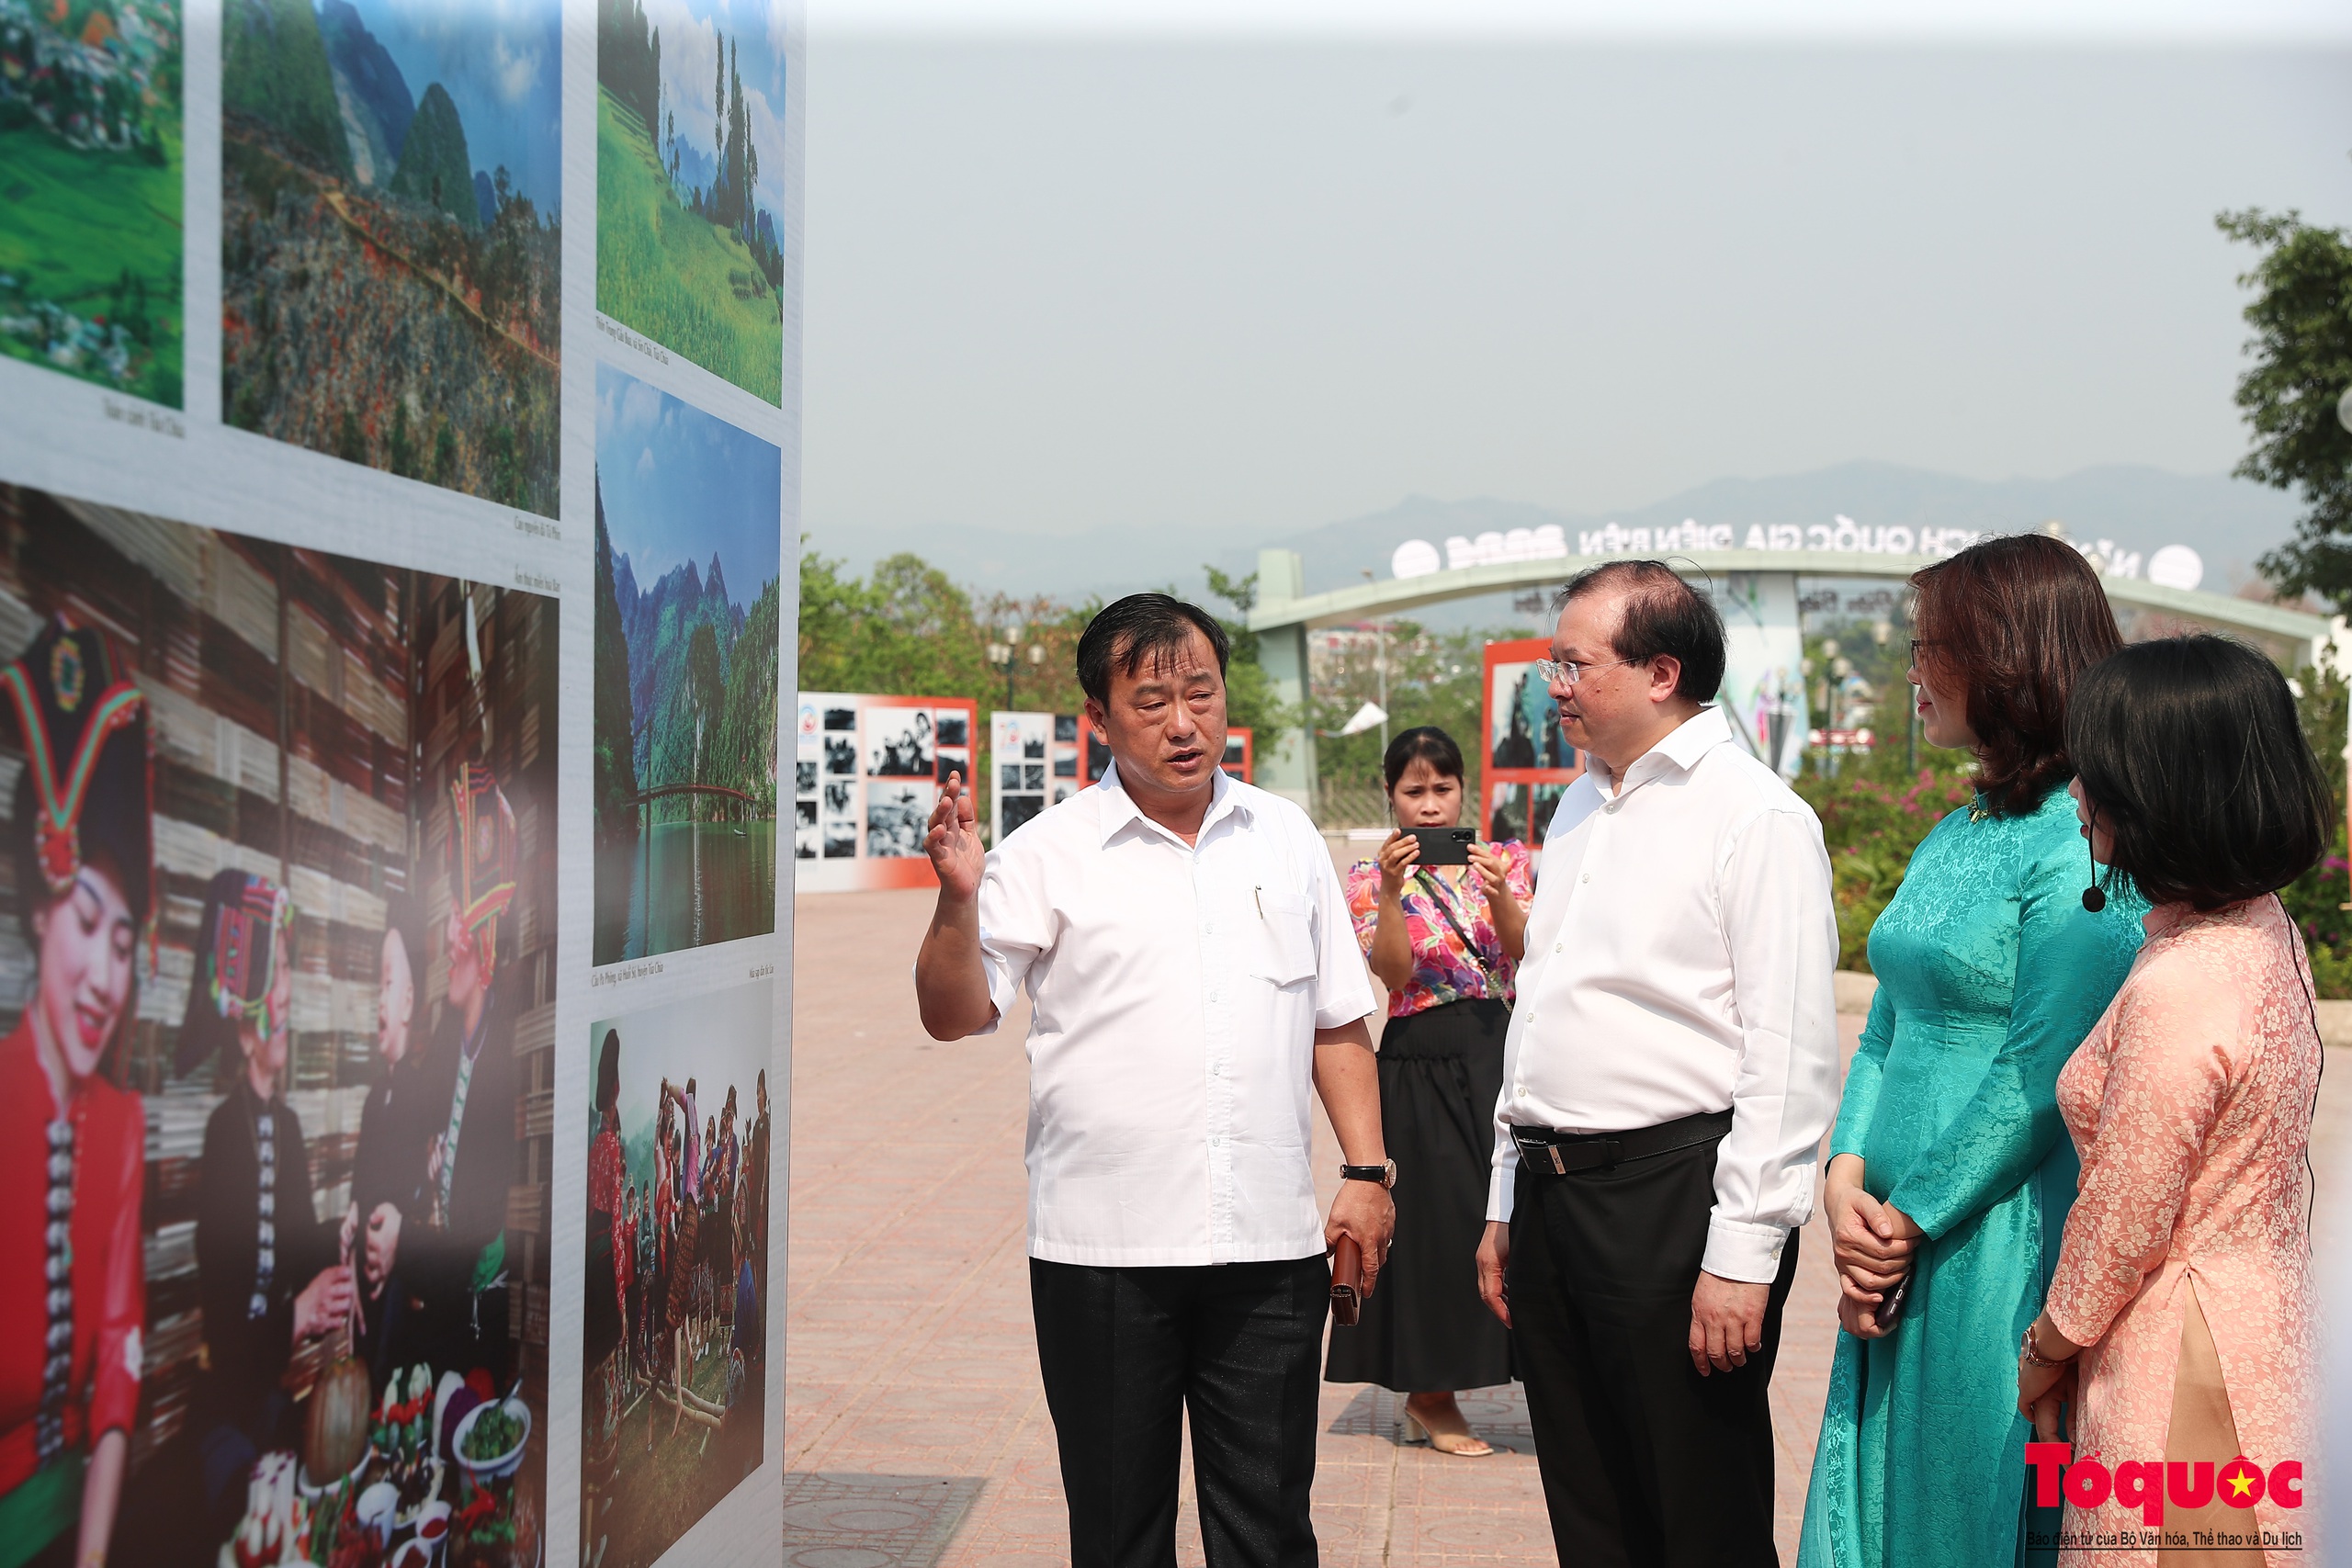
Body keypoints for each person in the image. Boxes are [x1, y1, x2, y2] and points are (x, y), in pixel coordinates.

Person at [914, 592, 1391, 1568]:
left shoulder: (1284, 837)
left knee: (1268, 1527)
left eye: (1202, 695)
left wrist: (1368, 1173)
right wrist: (957, 907)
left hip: (1265, 1250)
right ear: (1098, 717)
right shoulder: (1048, 851)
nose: (1185, 724)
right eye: (1151, 702)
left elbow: (1337, 1019)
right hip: (1104, 1250)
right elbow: (953, 1014)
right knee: (1120, 1528)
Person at [1474, 561, 1838, 1567]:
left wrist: (1742, 1254)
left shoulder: (1754, 817)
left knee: (1698, 1512)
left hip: (1673, 1200)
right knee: (1589, 1505)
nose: (1554, 685)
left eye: (1573, 664)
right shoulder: (1582, 804)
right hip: (1555, 1197)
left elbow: (1790, 1052)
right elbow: (1541, 1004)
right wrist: (1506, 1199)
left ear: (1660, 672)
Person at [1800, 535, 2146, 1568]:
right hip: (1889, 1227)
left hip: (1998, 1236)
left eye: (1929, 648)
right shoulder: (1954, 829)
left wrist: (1907, 1221)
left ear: (2004, 659)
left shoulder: (2083, 838)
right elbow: (1886, 1021)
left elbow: (2040, 1076)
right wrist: (1844, 1177)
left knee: (1964, 1507)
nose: (1911, 671)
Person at [2017, 637, 2330, 1567]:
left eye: (2096, 773)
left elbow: (2126, 1209)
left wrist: (2045, 1347)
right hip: (2259, 1330)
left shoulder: (2185, 980)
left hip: (2184, 1361)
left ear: (2165, 790)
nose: (2076, 794)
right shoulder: (2261, 929)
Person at [1324, 726, 1531, 1456]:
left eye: (1443, 788)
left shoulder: (1504, 861)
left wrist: (1504, 893)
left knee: (1516, 1219)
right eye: (1415, 791)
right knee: (1440, 1231)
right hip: (1417, 1060)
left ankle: (1519, 1371)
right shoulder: (1363, 876)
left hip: (1499, 1055)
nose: (1432, 805)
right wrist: (1387, 888)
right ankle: (1431, 1394)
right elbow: (1393, 975)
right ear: (1392, 796)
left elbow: (1522, 953)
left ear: (1463, 790)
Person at [0, 617, 151, 1568]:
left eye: (126, 944)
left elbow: (119, 1354)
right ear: (38, 911)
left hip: (89, 1528)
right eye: (88, 922)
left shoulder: (126, 1123)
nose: (105, 974)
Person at [182, 870, 355, 1529]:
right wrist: (301, 1312)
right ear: (245, 1021)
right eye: (279, 969)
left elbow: (298, 1243)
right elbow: (228, 1339)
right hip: (222, 1416)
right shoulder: (224, 1133)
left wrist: (342, 1235)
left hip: (270, 1401)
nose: (290, 990)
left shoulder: (283, 1126)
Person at [403, 761, 519, 1389]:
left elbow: (477, 1218)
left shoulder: (505, 1056)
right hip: (442, 1298)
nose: (449, 936)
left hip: (479, 1311)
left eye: (459, 918)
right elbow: (414, 1133)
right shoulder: (447, 1038)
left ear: (487, 936)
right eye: (449, 914)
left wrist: (407, 1254)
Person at [345, 892, 432, 1393]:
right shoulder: (374, 1097)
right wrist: (351, 1227)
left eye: (388, 982)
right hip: (366, 1299)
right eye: (377, 984)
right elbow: (360, 1188)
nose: (379, 999)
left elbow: (424, 1201)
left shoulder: (423, 1093)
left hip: (405, 1299)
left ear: (408, 1000)